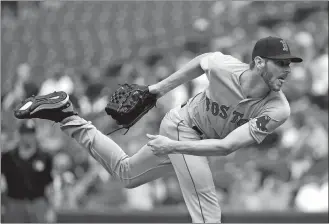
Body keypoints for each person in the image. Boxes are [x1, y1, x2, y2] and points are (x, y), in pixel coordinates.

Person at [14, 36, 302, 223]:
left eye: (289, 64)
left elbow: (226, 147)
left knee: (126, 174)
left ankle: (66, 115)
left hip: (191, 143)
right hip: (181, 126)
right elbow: (203, 61)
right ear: (259, 62)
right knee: (208, 215)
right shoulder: (225, 67)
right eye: (281, 63)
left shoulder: (278, 109)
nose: (287, 70)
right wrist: (157, 90)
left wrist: (172, 147)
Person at [1, 120, 55, 223]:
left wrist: (50, 209)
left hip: (38, 203)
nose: (27, 137)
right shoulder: (8, 157)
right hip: (14, 203)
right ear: (19, 135)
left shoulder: (44, 157)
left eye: (30, 133)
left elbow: (50, 184)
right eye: (24, 133)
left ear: (35, 135)